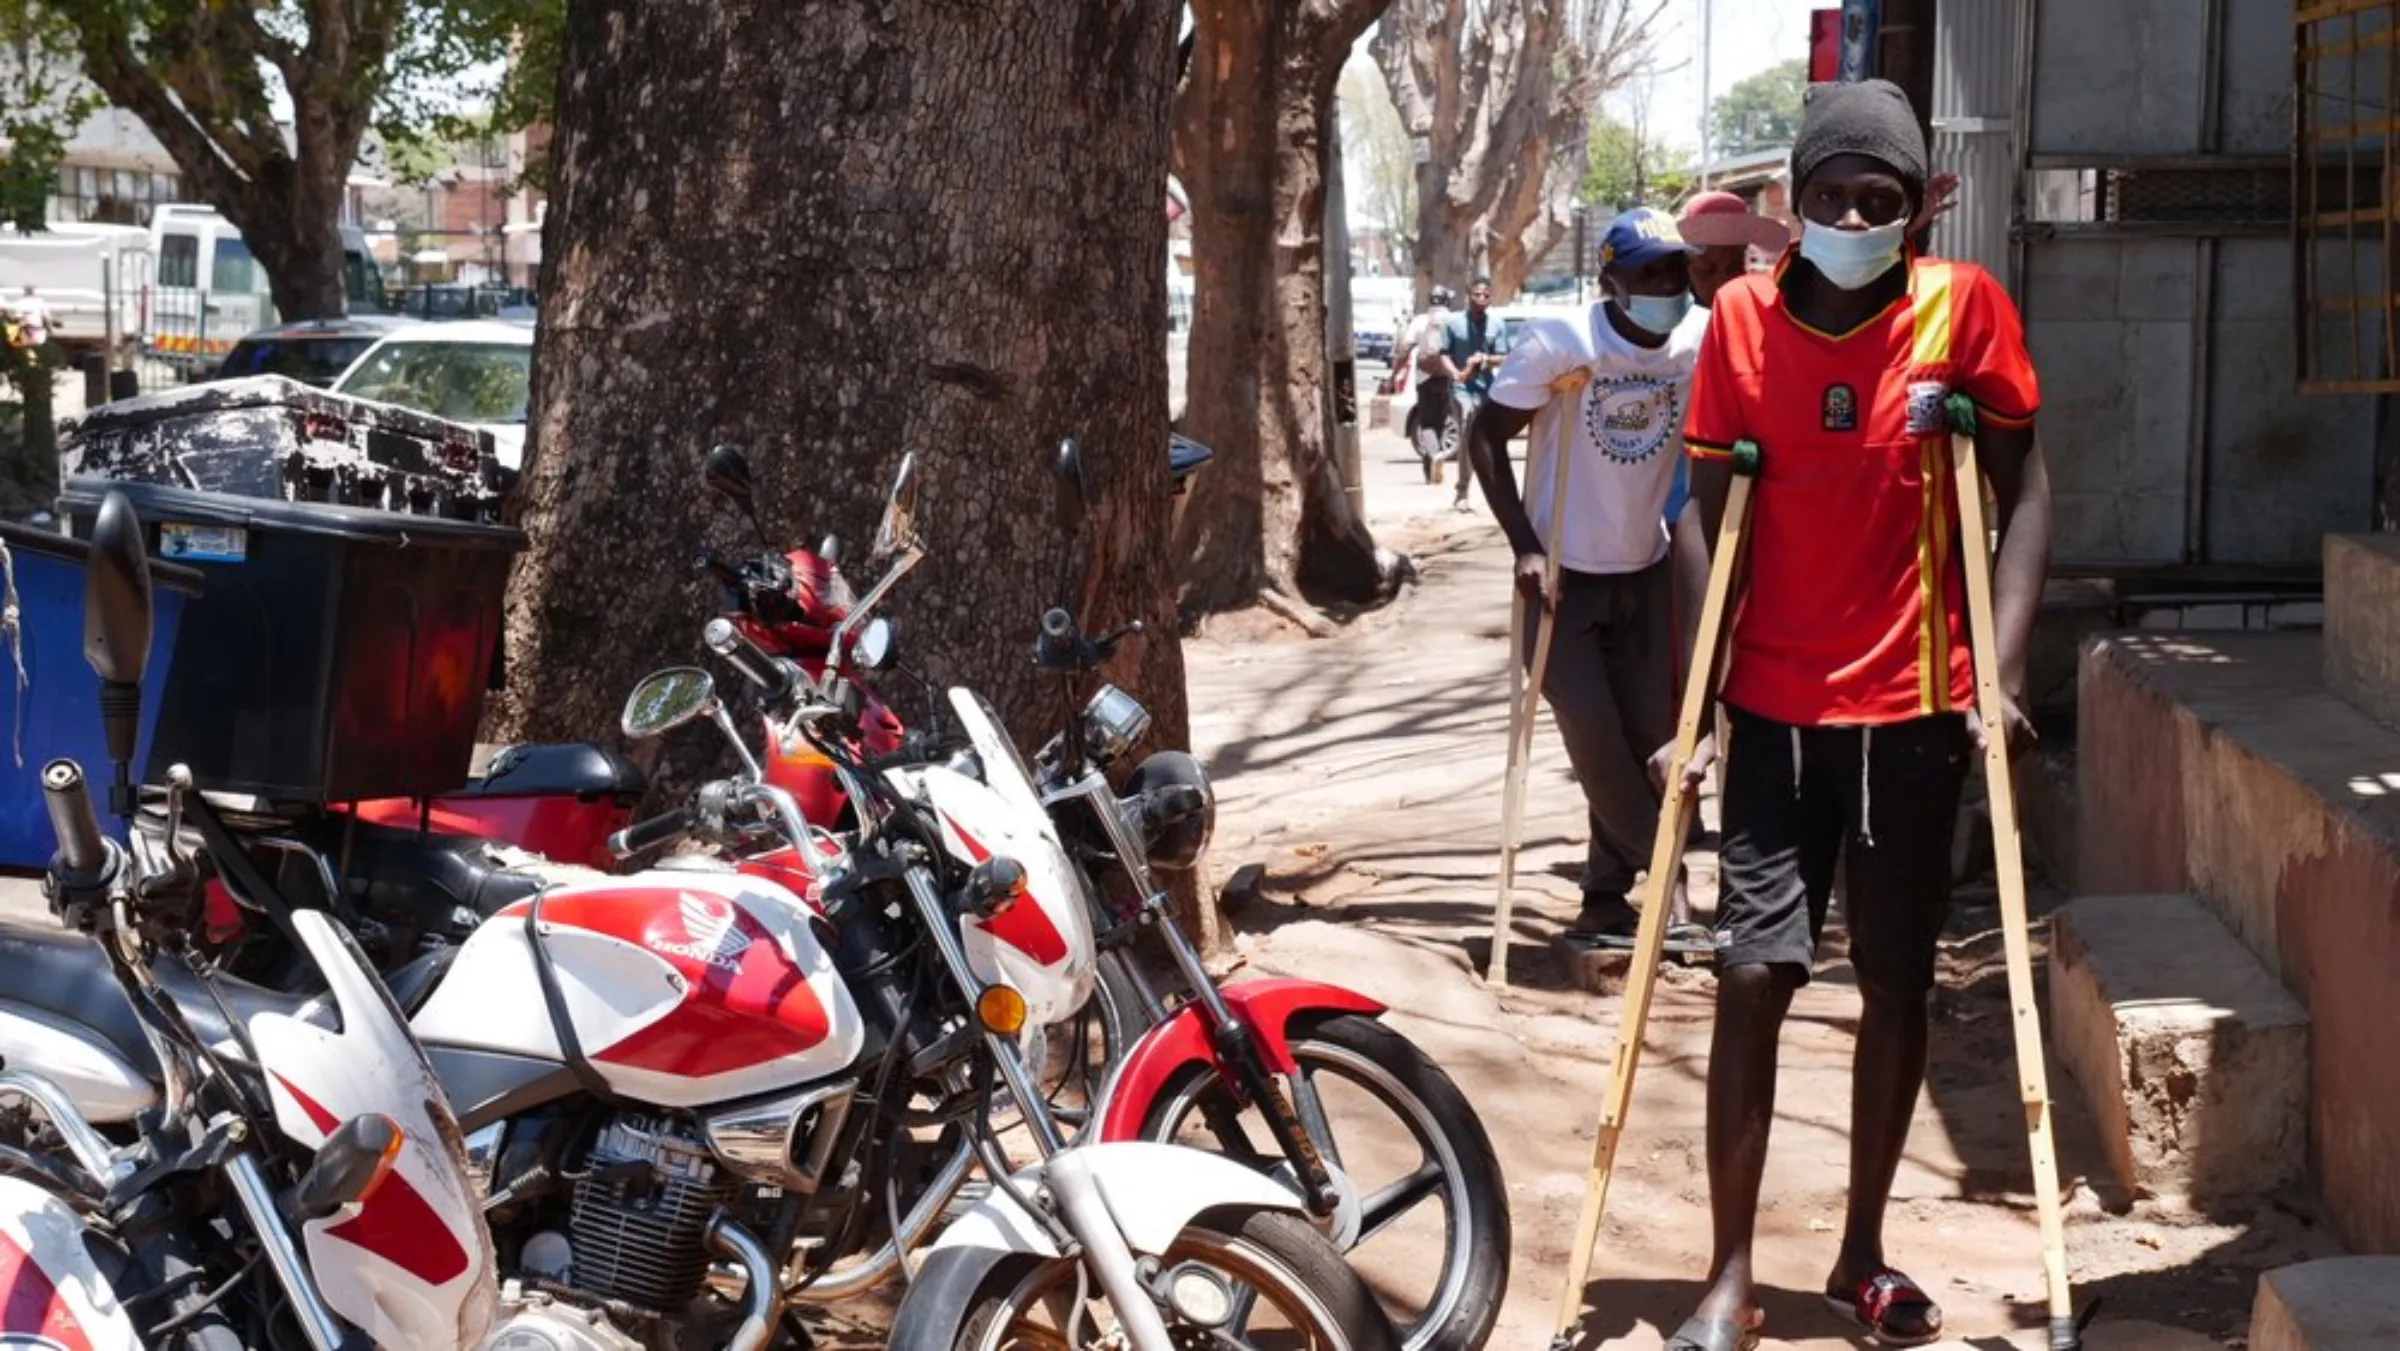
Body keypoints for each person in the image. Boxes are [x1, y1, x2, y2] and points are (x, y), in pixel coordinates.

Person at [1657, 79, 2050, 1351]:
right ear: (1795, 201)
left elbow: (2024, 484)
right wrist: (1699, 702)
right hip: (1775, 707)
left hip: (1919, 707)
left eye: (1875, 201)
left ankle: (1864, 1252)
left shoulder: (1962, 310)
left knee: (1893, 978)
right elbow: (1703, 516)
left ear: (1919, 207)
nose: (1848, 215)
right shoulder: (1738, 328)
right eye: (1828, 196)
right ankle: (1727, 1272)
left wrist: (2005, 668)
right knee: (1754, 972)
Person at [1467, 208, 1714, 954]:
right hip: (1562, 580)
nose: (1669, 285)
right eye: (1650, 273)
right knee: (1595, 736)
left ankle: (1604, 899)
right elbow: (1485, 434)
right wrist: (1524, 545)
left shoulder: (1700, 338)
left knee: (1648, 735)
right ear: (1613, 282)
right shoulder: (1565, 341)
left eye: (1677, 269)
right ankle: (1666, 875)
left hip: (1644, 568)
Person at [1433, 278, 1509, 509]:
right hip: (1460, 388)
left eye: (1486, 295)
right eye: (1477, 294)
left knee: (1484, 439)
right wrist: (1455, 373)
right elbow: (1443, 353)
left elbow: (1504, 356)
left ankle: (1492, 490)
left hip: (1485, 388)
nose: (1482, 299)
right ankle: (1462, 491)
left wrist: (1486, 360)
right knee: (1467, 423)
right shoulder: (1453, 323)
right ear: (1469, 296)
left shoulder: (1497, 325)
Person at [1404, 287, 1456, 481]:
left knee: (1426, 423)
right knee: (1441, 421)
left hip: (1424, 378)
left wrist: (1395, 374)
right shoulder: (1452, 319)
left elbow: (1405, 346)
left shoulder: (1419, 320)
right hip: (1445, 376)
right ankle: (1437, 456)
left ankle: (1431, 462)